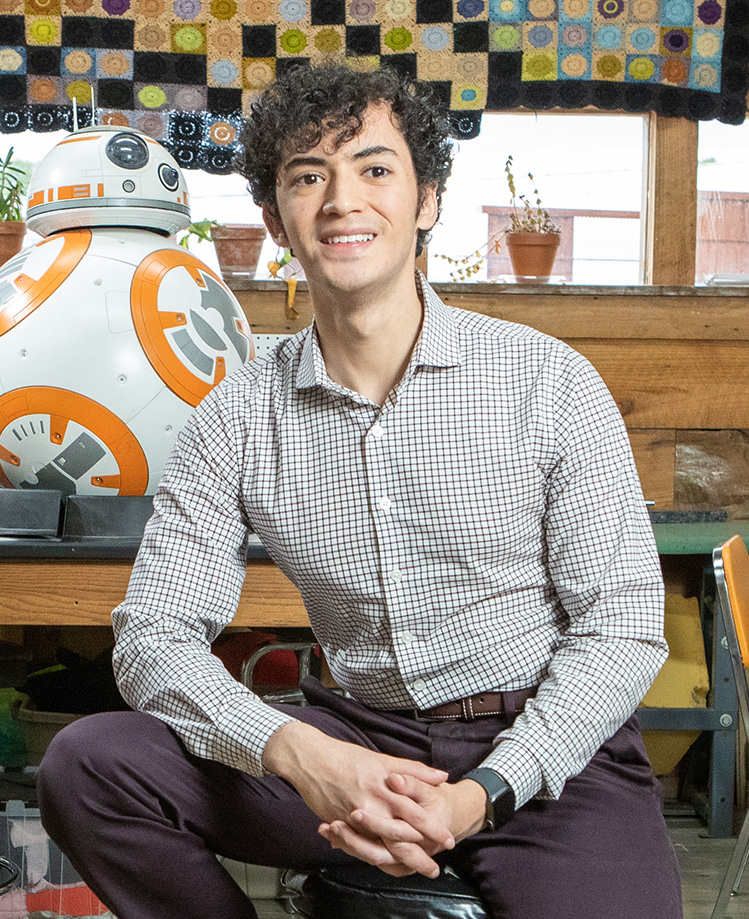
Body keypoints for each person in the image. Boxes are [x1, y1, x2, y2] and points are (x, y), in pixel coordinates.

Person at [37, 65, 683, 919]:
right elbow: (153, 636)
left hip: (547, 749)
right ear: (276, 220)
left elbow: (622, 625)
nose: (343, 201)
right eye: (309, 176)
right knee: (86, 763)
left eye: (375, 169)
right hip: (359, 741)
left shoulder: (546, 380)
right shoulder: (234, 416)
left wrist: (481, 790)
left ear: (426, 202)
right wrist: (306, 756)